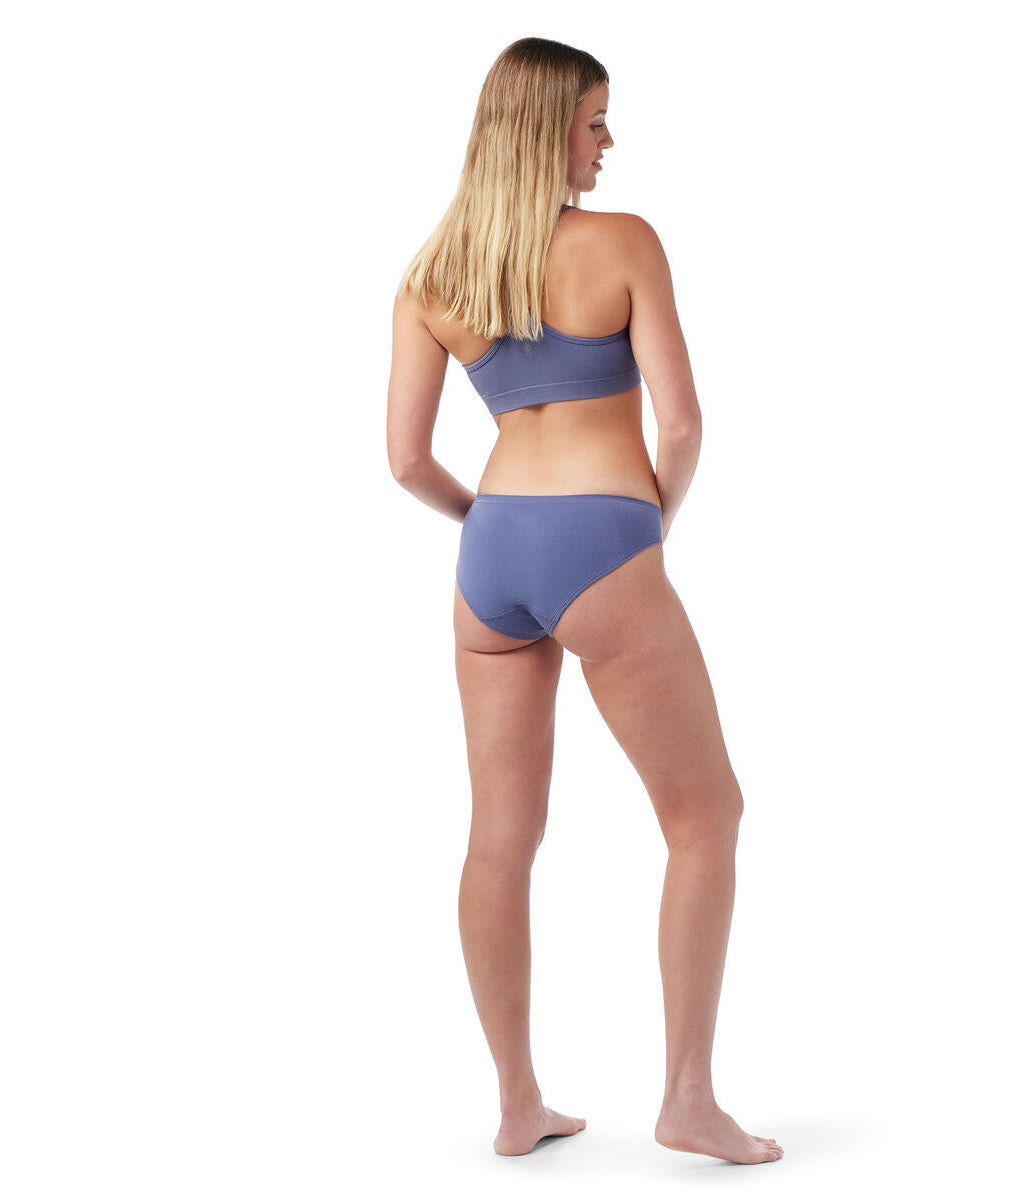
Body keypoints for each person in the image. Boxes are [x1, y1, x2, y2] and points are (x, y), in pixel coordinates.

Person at [387, 37, 781, 1166]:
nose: (610, 143)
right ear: (546, 127)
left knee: (498, 841)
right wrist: (645, 523)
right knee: (706, 816)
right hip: (602, 536)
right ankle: (689, 1099)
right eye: (595, 122)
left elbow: (405, 461)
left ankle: (518, 1105)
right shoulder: (625, 243)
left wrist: (491, 528)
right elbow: (685, 423)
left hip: (491, 556)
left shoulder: (432, 274)